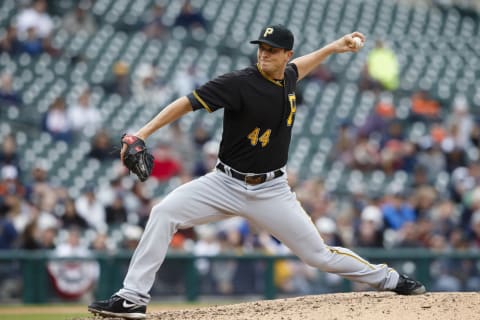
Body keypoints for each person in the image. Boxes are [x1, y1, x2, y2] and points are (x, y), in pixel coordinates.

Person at [88, 24, 426, 319]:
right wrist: (142, 133)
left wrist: (335, 47)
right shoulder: (238, 83)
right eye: (262, 48)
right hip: (223, 182)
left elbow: (299, 67)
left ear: (285, 54)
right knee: (163, 213)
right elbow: (186, 103)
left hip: (271, 190)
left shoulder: (288, 75)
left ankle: (389, 279)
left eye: (272, 50)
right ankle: (132, 298)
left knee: (318, 255)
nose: (264, 54)